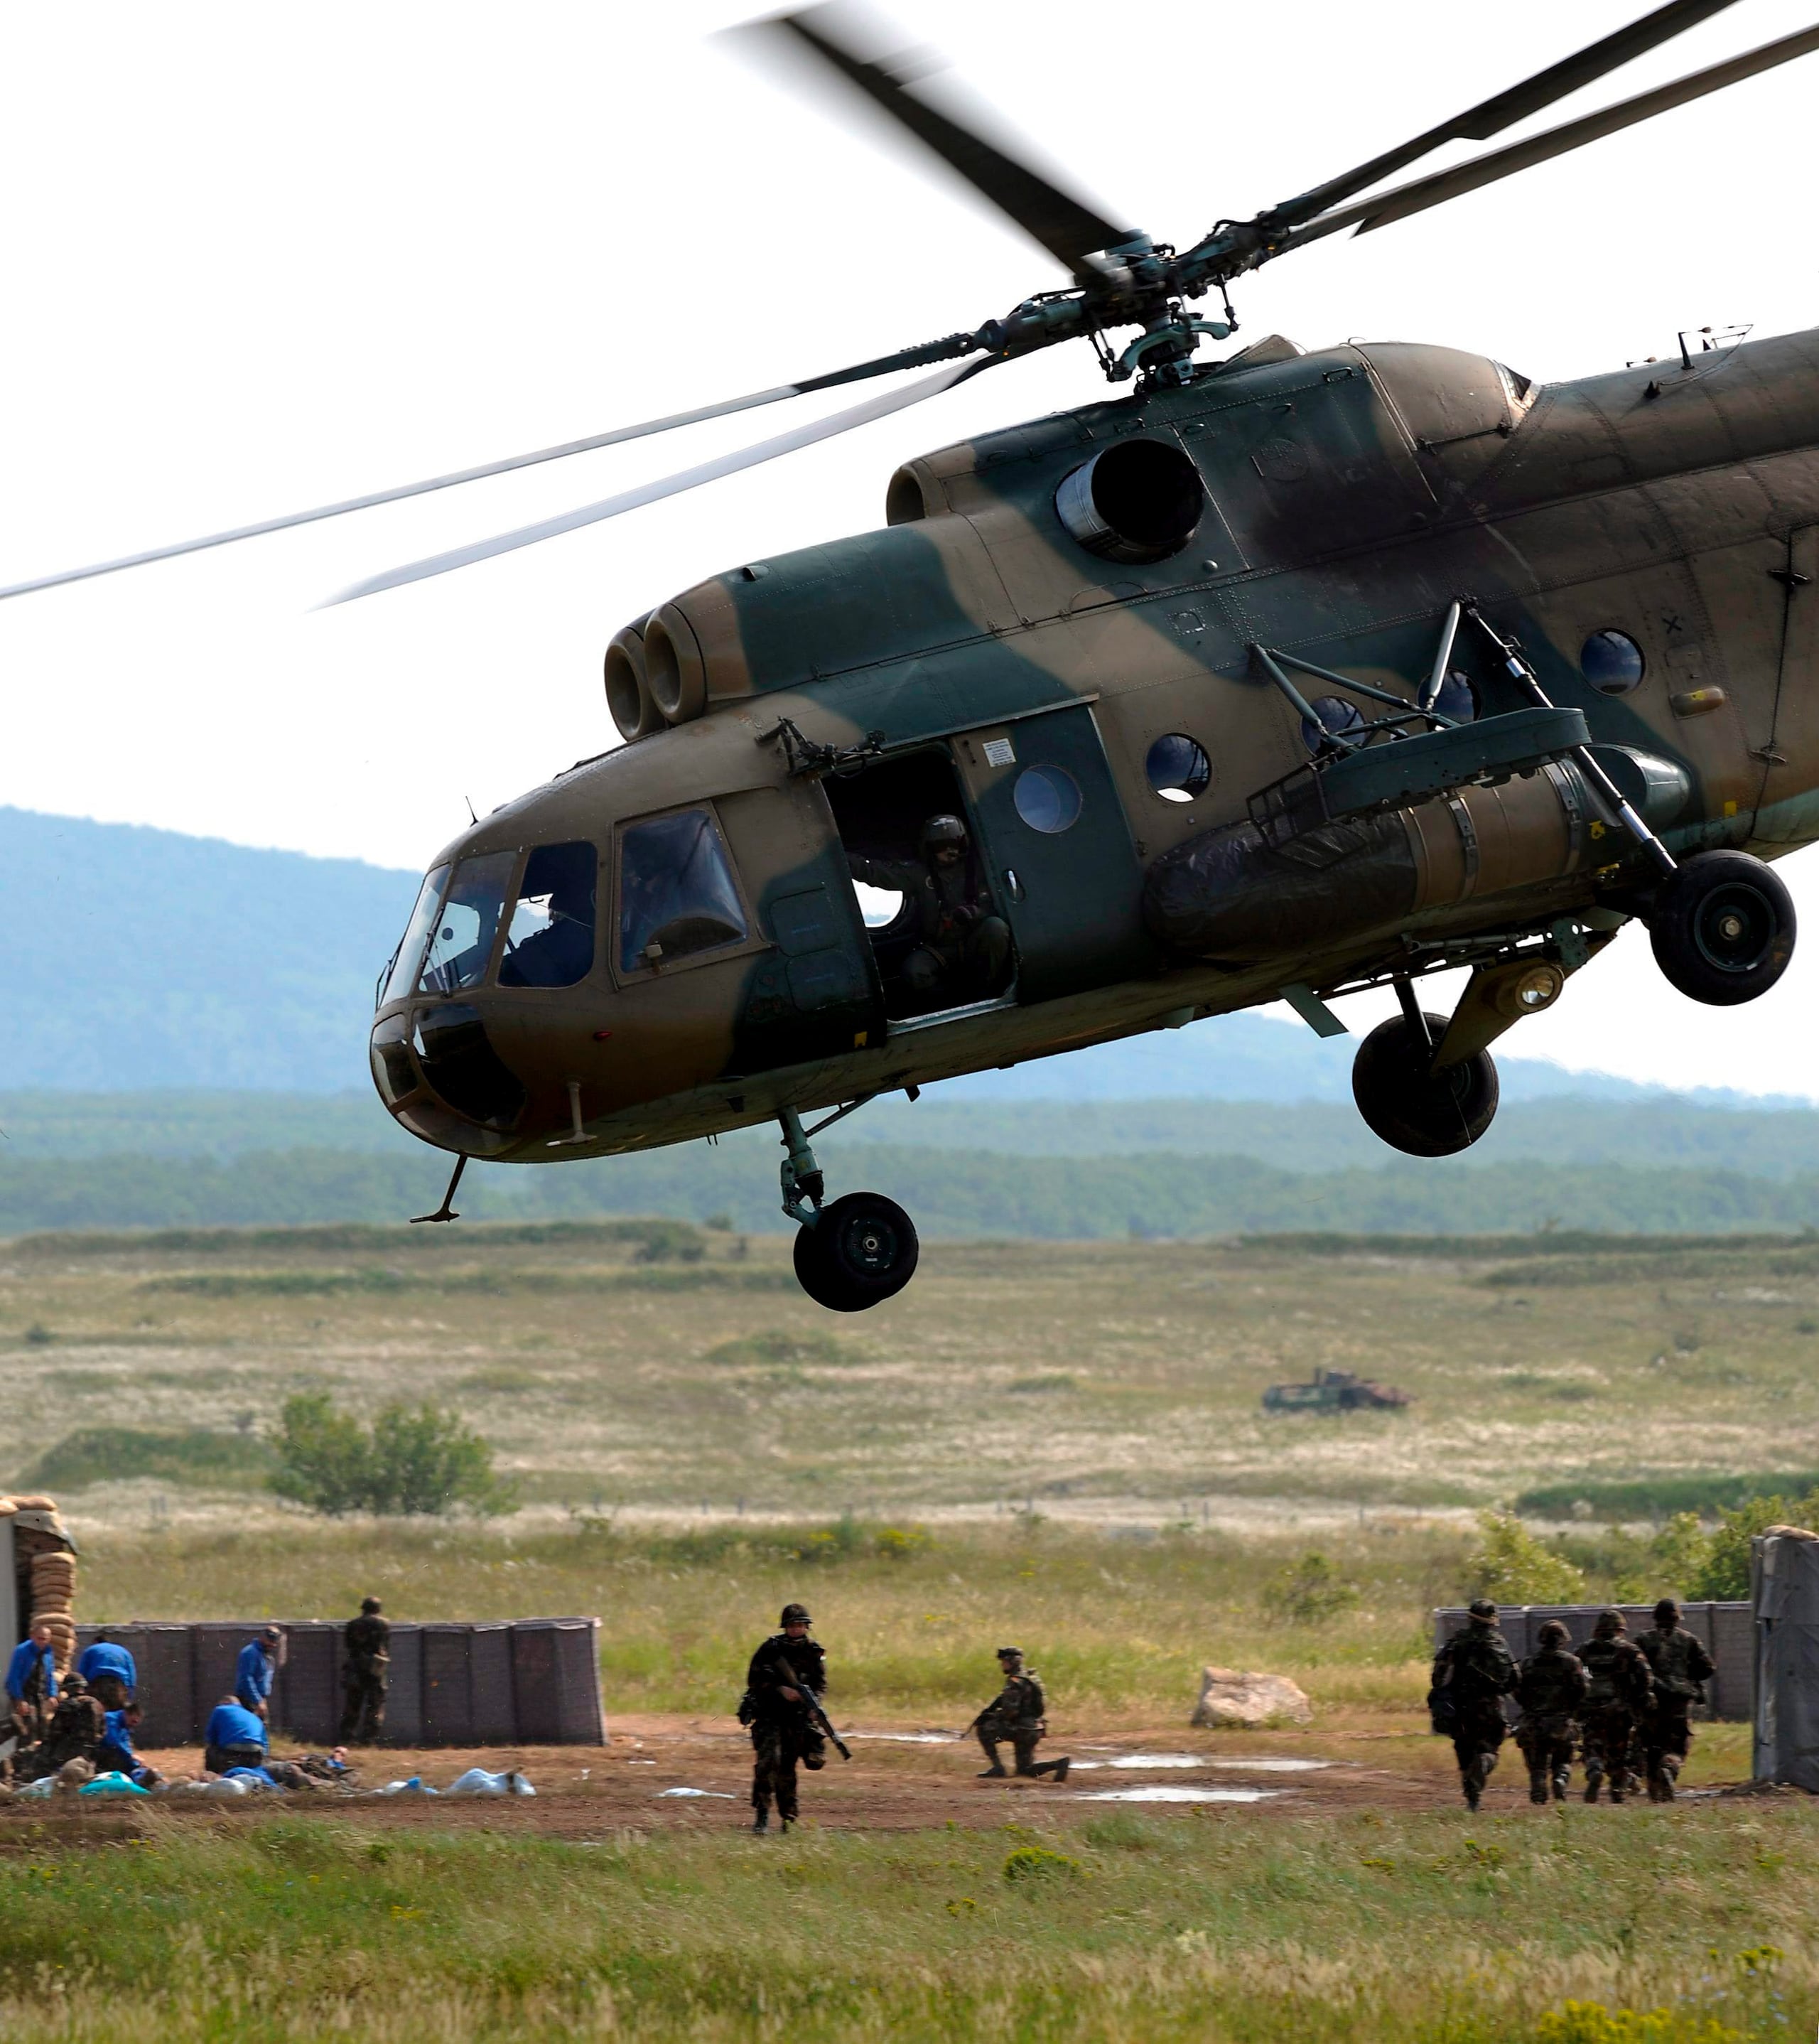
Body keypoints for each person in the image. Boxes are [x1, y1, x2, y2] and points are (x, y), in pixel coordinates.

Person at [848, 814, 1012, 1005]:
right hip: (940, 948)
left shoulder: (981, 868)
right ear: (929, 848)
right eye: (940, 845)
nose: (949, 850)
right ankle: (955, 1003)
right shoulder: (918, 874)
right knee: (914, 971)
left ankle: (986, 992)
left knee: (996, 927)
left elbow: (998, 905)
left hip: (975, 941)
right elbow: (875, 873)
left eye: (954, 843)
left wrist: (977, 914)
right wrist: (839, 857)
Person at [740, 1602, 827, 1835]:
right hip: (770, 1716)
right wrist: (780, 1690)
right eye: (793, 1625)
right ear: (785, 1627)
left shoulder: (813, 1651)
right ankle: (762, 1814)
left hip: (796, 1720)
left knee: (788, 1769)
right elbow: (754, 1681)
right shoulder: (770, 1649)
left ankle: (789, 1819)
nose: (797, 1629)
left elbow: (820, 1684)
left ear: (807, 1627)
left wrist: (814, 1706)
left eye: (801, 1625)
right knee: (768, 1764)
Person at [1430, 1598, 1517, 1810]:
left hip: (1461, 1706)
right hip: (1491, 1706)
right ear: (1492, 1621)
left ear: (1470, 1619)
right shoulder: (1499, 1642)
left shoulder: (1457, 1642)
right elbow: (1515, 1678)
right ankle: (1484, 1764)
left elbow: (1438, 1677)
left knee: (1465, 1750)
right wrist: (1500, 1691)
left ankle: (1473, 1801)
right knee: (1490, 1748)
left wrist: (1444, 1696)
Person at [1634, 1598, 1716, 1802]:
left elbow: (1633, 1667)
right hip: (1678, 1702)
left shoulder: (1643, 1640)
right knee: (1678, 1745)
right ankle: (1669, 1769)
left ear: (1655, 1618)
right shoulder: (1689, 1640)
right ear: (1677, 1618)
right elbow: (1708, 1668)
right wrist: (1688, 1677)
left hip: (1651, 1700)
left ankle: (1655, 1791)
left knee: (1652, 1745)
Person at [1579, 1609, 1655, 1804]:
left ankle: (1595, 1769)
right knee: (1619, 1750)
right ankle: (1617, 1789)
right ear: (1620, 1629)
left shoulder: (1585, 1650)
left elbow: (1573, 1675)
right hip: (1619, 1709)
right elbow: (1646, 1678)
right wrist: (1637, 1700)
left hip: (1591, 1709)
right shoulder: (1629, 1650)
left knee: (1592, 1745)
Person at [1513, 1619, 1589, 1805]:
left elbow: (1518, 1691)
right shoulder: (1572, 1662)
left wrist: (1531, 1708)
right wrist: (1571, 1710)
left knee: (1537, 1764)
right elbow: (1582, 1689)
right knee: (1563, 1760)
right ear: (1562, 1640)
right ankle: (1560, 1779)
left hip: (1534, 1723)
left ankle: (1539, 1783)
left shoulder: (1528, 1664)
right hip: (1562, 1723)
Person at [972, 1646, 1069, 1782]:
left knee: (983, 1729)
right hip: (1035, 1729)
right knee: (1024, 1772)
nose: (1002, 1665)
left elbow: (1010, 1712)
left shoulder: (1015, 1682)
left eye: (1004, 1662)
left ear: (1011, 1662)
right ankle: (1059, 1764)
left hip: (1020, 1730)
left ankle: (998, 1768)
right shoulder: (1031, 1677)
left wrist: (991, 1716)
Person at [340, 1598, 390, 1745]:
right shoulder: (384, 1624)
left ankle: (347, 1738)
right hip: (376, 1668)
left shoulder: (353, 1624)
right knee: (375, 1705)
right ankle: (368, 1739)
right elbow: (385, 1646)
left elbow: (348, 1645)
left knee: (353, 1704)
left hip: (356, 1667)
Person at [6, 1620, 58, 1747]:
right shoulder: (22, 1651)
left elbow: (50, 1674)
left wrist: (52, 1695)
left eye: (46, 1639)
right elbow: (14, 1677)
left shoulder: (48, 1652)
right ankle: (20, 1760)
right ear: (32, 1636)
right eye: (40, 1639)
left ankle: (38, 1759)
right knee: (29, 1726)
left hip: (38, 1693)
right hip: (24, 1692)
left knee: (44, 1725)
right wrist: (19, 1699)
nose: (42, 1642)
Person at [41, 1673, 106, 1773]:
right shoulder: (97, 1705)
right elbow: (103, 1731)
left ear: (68, 1689)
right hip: (90, 1757)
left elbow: (53, 1734)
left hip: (67, 1757)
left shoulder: (66, 1705)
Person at [97, 1702, 162, 1788]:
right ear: (126, 1714)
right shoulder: (110, 1719)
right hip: (101, 1757)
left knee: (140, 1769)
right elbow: (112, 1741)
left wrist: (138, 1765)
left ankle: (155, 1779)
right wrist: (131, 1756)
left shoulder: (125, 1727)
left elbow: (126, 1746)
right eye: (133, 1721)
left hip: (114, 1758)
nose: (133, 1725)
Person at [204, 1693, 269, 1775]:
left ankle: (212, 1778)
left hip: (232, 1753)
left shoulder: (220, 1709)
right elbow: (265, 1743)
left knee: (210, 1750)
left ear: (224, 1703)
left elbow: (210, 1736)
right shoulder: (254, 1716)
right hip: (255, 1755)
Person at [77, 1632, 137, 1712]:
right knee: (117, 1713)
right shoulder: (124, 1651)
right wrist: (129, 1695)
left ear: (96, 1642)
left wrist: (82, 1692)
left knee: (97, 1713)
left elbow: (82, 1672)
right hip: (119, 1685)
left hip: (98, 1682)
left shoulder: (90, 1649)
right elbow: (132, 1675)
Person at [236, 1625, 283, 1720]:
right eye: (271, 1640)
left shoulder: (266, 1656)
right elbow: (246, 1679)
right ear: (263, 1637)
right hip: (249, 1700)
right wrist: (258, 1701)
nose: (274, 1645)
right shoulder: (251, 1653)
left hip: (259, 1699)